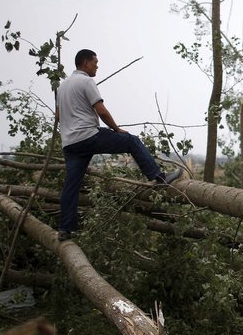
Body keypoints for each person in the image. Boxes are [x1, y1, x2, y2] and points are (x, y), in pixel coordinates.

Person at [55, 48, 182, 241]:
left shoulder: (62, 87)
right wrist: (116, 129)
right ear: (86, 63)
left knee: (70, 186)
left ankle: (66, 229)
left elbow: (58, 116)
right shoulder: (87, 81)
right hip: (88, 136)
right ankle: (159, 177)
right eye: (95, 62)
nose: (97, 65)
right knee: (132, 141)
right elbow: (102, 112)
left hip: (70, 144)